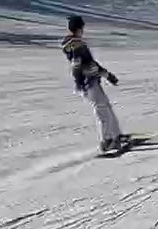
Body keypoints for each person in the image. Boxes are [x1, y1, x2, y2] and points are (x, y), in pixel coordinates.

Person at [62, 16, 127, 153]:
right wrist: (83, 82)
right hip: (88, 82)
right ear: (78, 29)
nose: (83, 31)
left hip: (91, 81)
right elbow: (79, 65)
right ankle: (108, 140)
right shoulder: (77, 46)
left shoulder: (76, 44)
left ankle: (116, 135)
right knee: (102, 110)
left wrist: (106, 75)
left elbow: (89, 64)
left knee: (106, 106)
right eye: (82, 28)